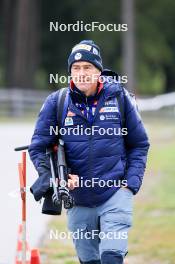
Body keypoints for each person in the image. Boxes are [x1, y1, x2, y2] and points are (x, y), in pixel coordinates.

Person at [29, 40, 150, 264]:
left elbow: (139, 144)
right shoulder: (57, 102)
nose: (82, 73)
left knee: (112, 256)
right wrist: (59, 178)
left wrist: (129, 185)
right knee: (90, 260)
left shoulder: (120, 98)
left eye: (88, 67)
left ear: (98, 71)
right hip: (77, 198)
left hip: (115, 192)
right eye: (76, 68)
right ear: (70, 72)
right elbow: (38, 147)